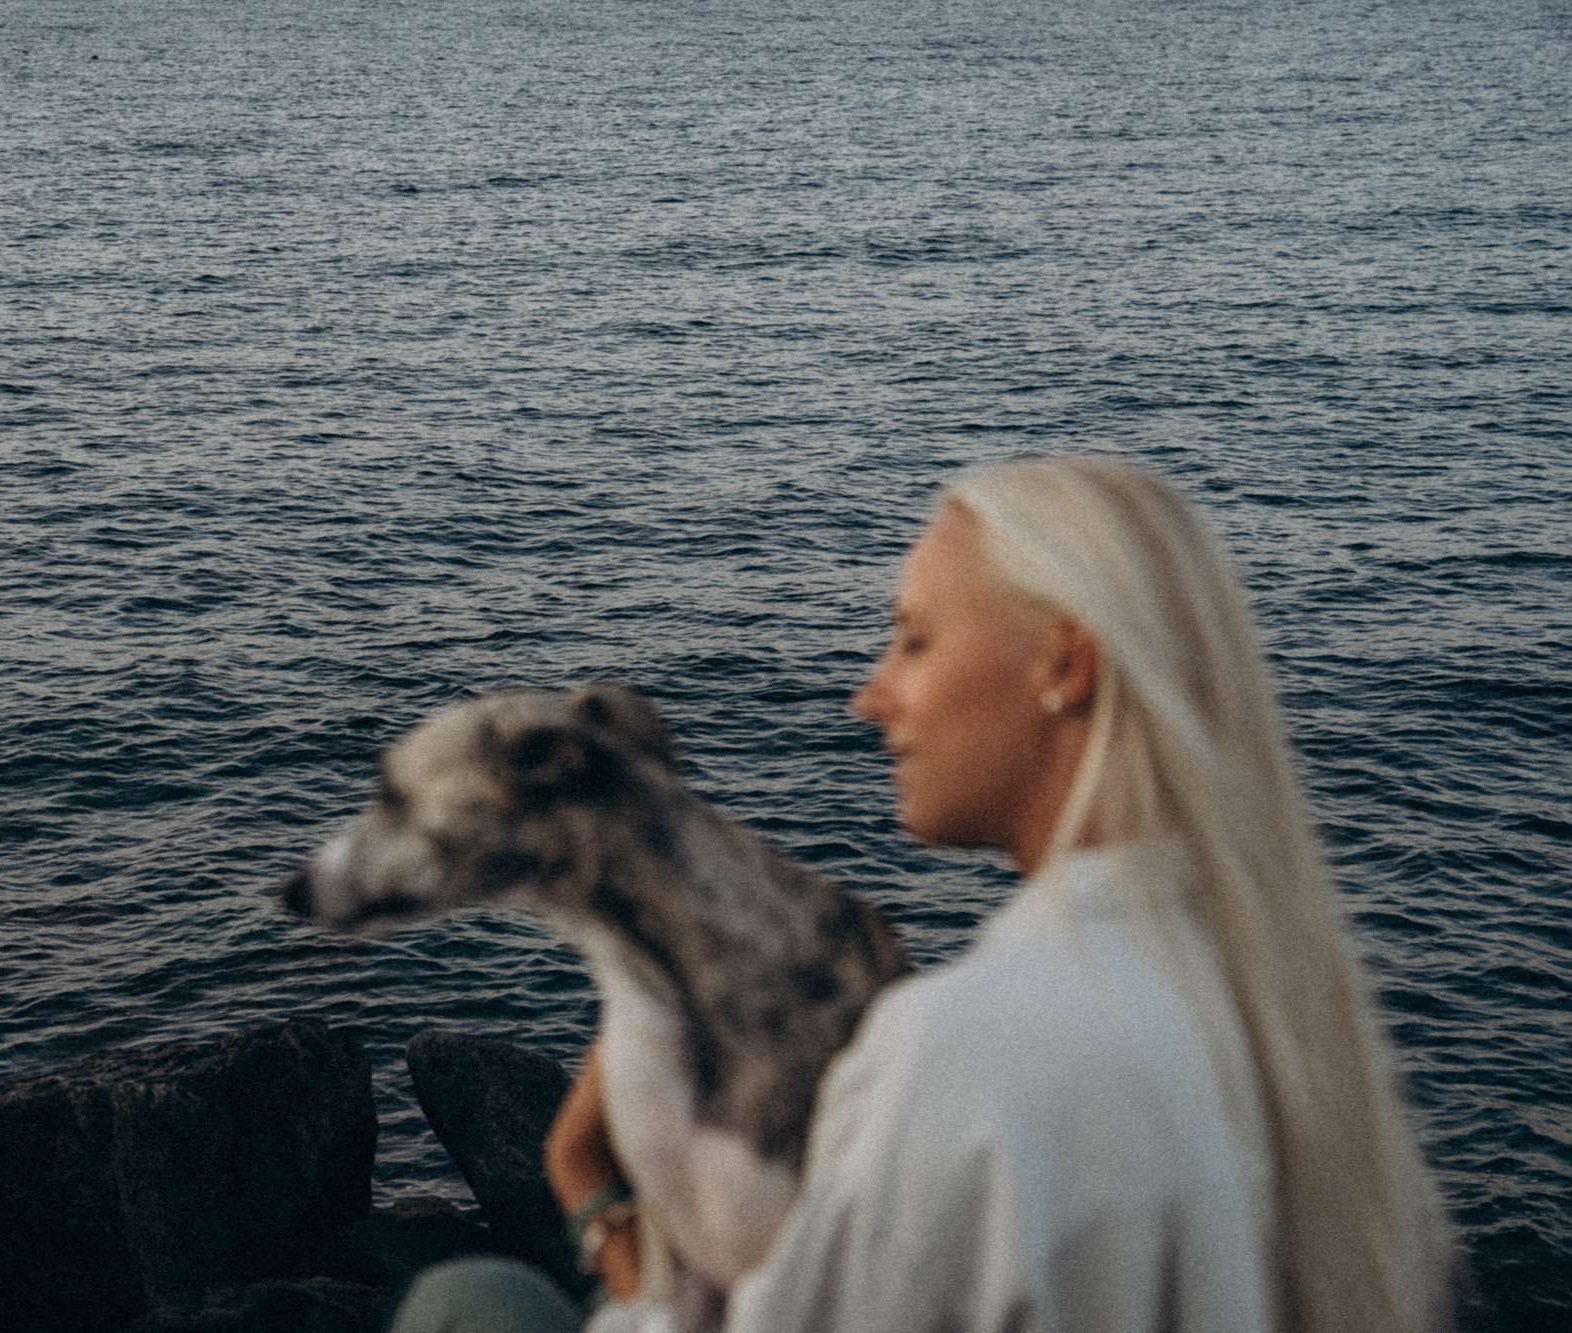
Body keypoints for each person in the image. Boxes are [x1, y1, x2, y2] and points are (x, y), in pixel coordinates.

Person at [395, 455, 1452, 1333]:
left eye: (913, 639)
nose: (869, 694)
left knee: (460, 1299)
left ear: (1063, 664)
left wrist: (592, 1190)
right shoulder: (1274, 998)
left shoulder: (962, 1046)